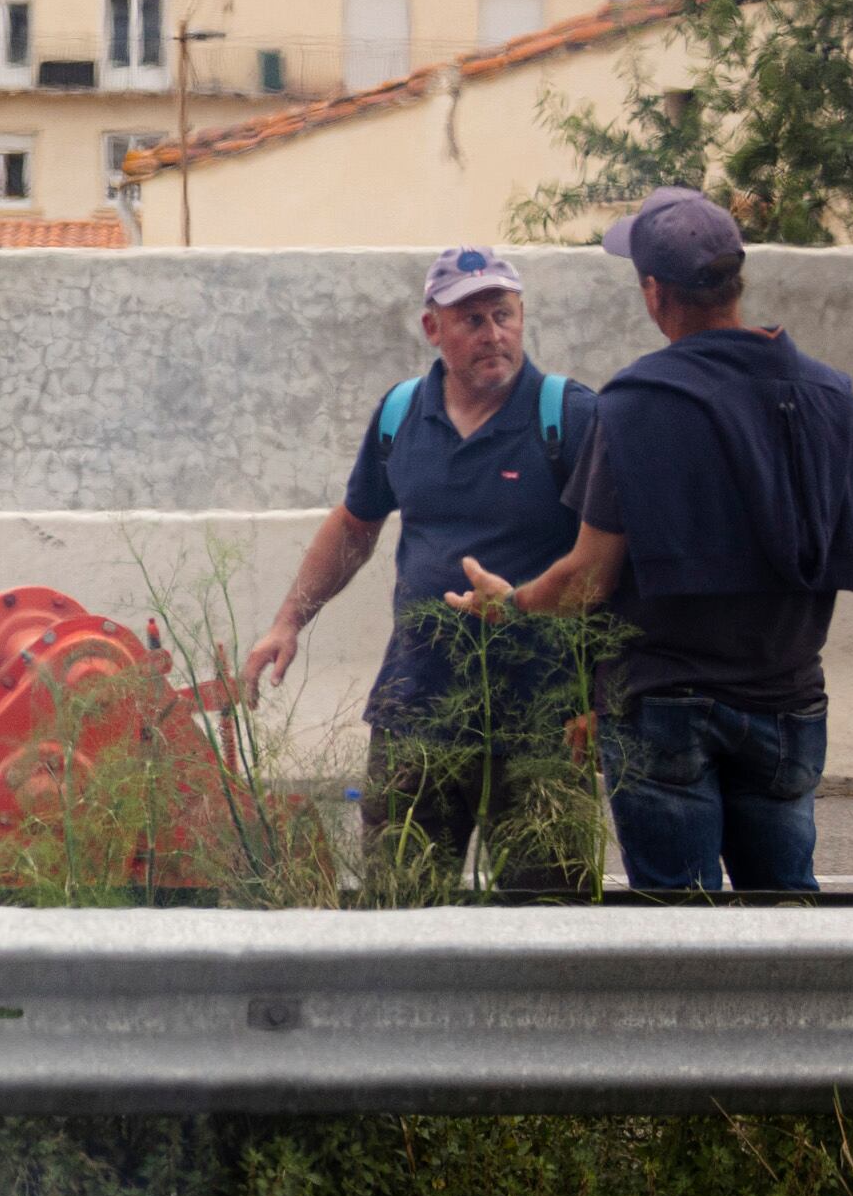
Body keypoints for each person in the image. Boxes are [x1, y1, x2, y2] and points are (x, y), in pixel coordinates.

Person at [451, 188, 853, 893]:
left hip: (667, 706)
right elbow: (852, 554)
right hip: (792, 699)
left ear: (656, 293)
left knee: (678, 927)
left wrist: (515, 599)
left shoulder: (636, 405)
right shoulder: (836, 399)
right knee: (787, 921)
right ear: (735, 280)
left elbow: (588, 577)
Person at [242, 246, 599, 893]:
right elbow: (355, 525)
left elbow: (611, 561)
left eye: (504, 313)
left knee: (551, 929)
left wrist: (601, 695)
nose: (493, 333)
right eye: (471, 319)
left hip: (540, 722)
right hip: (416, 715)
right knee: (399, 914)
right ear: (432, 328)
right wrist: (288, 619)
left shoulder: (568, 415)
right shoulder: (401, 413)